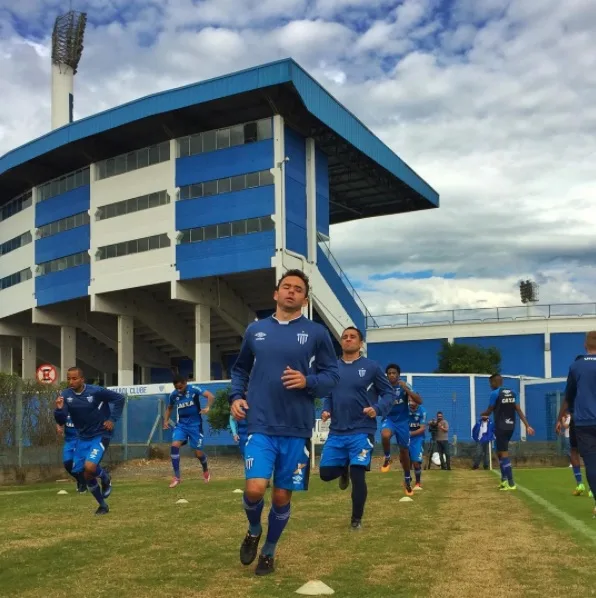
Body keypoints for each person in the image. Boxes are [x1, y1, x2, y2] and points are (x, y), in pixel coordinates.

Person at [230, 269, 339, 576]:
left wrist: (307, 380)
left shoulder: (316, 334)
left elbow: (331, 377)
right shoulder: (255, 330)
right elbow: (240, 370)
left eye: (298, 289)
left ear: (304, 299)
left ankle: (268, 551)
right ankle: (254, 530)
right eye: (286, 287)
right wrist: (236, 397)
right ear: (276, 294)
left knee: (280, 495)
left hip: (296, 427)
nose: (291, 292)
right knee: (254, 489)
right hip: (260, 424)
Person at [319, 326, 394, 530]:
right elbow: (328, 394)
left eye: (353, 337)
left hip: (362, 431)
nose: (348, 339)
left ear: (360, 343)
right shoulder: (332, 368)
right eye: (345, 337)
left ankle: (356, 521)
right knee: (325, 474)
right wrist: (327, 410)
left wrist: (376, 409)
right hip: (337, 431)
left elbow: (389, 393)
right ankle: (343, 468)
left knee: (358, 474)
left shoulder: (372, 367)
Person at [54, 367, 125, 515]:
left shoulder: (96, 391)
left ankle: (105, 476)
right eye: (68, 378)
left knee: (90, 467)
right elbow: (61, 420)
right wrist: (59, 410)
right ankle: (102, 505)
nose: (71, 381)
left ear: (82, 379)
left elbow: (120, 398)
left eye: (74, 378)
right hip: (82, 437)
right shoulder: (66, 395)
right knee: (86, 475)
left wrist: (112, 419)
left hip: (101, 434)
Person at [556, 334, 596, 512]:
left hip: (585, 423)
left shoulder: (576, 366)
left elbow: (568, 396)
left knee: (591, 463)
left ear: (585, 345)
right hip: (583, 422)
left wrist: (559, 418)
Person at [481, 374, 535, 491]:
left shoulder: (495, 394)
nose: (490, 385)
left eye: (491, 383)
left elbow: (489, 410)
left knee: (504, 454)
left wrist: (482, 414)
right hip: (511, 426)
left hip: (500, 426)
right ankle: (504, 480)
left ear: (495, 382)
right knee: (499, 452)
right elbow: (518, 410)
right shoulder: (513, 392)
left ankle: (511, 483)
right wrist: (527, 425)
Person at [163, 375, 215, 488]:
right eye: (176, 387)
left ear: (185, 383)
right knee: (174, 446)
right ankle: (177, 477)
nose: (178, 389)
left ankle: (205, 470)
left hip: (195, 426)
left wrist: (208, 407)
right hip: (181, 425)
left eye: (180, 386)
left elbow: (210, 396)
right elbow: (169, 408)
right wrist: (166, 420)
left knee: (198, 453)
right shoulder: (174, 395)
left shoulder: (194, 389)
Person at [380, 364, 422, 497]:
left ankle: (407, 479)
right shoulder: (383, 386)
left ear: (398, 374)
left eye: (394, 373)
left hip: (403, 422)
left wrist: (407, 390)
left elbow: (419, 400)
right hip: (389, 419)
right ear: (386, 375)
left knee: (404, 452)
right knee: (385, 435)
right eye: (389, 373)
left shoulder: (405, 385)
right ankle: (387, 457)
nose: (391, 375)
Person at [55, 414, 86, 493]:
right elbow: (59, 420)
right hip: (69, 441)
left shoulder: (82, 409)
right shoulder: (65, 411)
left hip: (80, 440)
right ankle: (80, 480)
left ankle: (83, 485)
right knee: (67, 464)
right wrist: (59, 427)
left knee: (78, 462)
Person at [408, 399, 427, 489]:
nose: (411, 403)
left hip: (417, 438)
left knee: (416, 462)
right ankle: (408, 478)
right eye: (409, 401)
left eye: (413, 401)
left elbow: (422, 428)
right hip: (405, 438)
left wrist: (410, 434)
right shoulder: (405, 409)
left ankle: (418, 483)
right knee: (405, 461)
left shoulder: (422, 411)